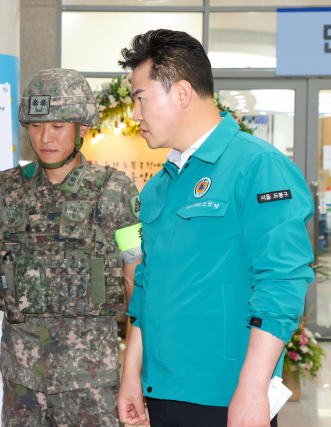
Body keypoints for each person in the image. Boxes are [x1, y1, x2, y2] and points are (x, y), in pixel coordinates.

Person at [116, 30, 313, 427]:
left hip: (227, 397)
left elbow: (282, 281)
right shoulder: (159, 188)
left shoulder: (257, 166)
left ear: (183, 93)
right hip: (162, 393)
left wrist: (253, 389)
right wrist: (131, 375)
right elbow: (146, 287)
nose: (134, 115)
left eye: (140, 99)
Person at [0, 68, 143, 426]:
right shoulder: (8, 190)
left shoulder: (115, 192)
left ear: (82, 129)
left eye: (57, 126)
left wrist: (138, 371)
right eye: (35, 126)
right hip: (21, 380)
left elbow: (137, 281)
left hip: (90, 384)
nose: (44, 137)